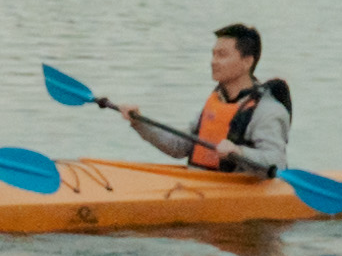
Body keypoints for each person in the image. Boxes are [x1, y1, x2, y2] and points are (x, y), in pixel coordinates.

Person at [88, 22, 292, 179]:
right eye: (213, 54)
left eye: (222, 55)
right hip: (201, 184)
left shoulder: (268, 111)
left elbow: (277, 162)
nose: (213, 62)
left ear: (247, 62)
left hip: (236, 192)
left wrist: (238, 152)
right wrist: (138, 122)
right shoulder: (217, 101)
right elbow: (179, 147)